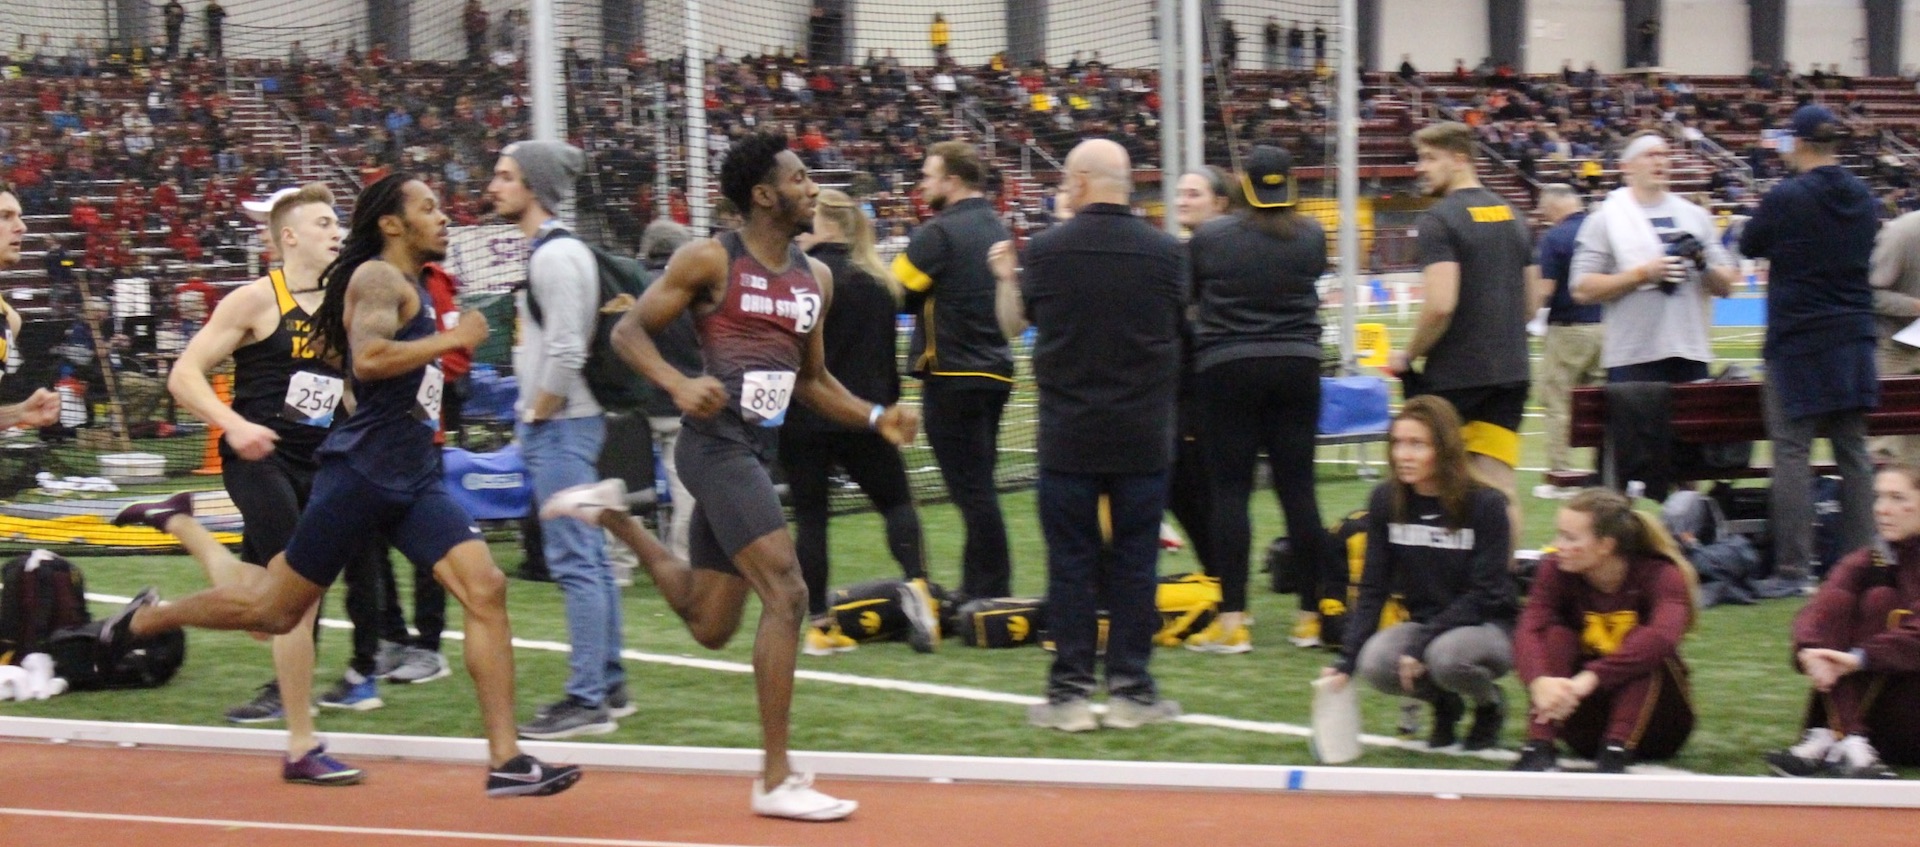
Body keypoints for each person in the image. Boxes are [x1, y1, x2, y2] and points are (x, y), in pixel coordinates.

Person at [101, 174, 582, 798]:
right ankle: (147, 623)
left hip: (410, 474)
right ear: (392, 224)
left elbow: (352, 376)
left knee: (486, 587)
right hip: (360, 476)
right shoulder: (378, 278)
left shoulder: (408, 284)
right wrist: (453, 341)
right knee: (274, 611)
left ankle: (507, 761)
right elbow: (371, 358)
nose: (445, 218)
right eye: (428, 209)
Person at [550, 131, 917, 820]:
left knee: (708, 620)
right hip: (713, 445)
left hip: (755, 449)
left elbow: (812, 381)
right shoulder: (709, 259)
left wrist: (875, 417)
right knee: (787, 589)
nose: (813, 188)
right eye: (801, 176)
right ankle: (776, 778)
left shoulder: (817, 278)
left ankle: (611, 516)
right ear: (763, 193)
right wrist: (679, 383)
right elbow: (629, 332)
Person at [145, 184, 363, 772]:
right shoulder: (253, 301)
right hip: (258, 460)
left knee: (265, 609)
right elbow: (184, 376)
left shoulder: (344, 308)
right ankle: (302, 745)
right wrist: (234, 425)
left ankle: (175, 535)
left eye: (338, 223)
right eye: (323, 223)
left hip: (318, 465)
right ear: (288, 236)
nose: (336, 232)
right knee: (296, 594)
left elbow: (341, 392)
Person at [987, 138, 1185, 731]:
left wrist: (1004, 276)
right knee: (1135, 567)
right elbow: (1178, 325)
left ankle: (1070, 695)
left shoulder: (1046, 252)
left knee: (1070, 565)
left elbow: (1013, 324)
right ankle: (1131, 691)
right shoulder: (1168, 253)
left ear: (1077, 183)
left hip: (1069, 433)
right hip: (1143, 433)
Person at [486, 141, 629, 740]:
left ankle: (587, 698)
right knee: (588, 557)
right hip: (569, 421)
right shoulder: (554, 253)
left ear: (534, 188)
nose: (493, 186)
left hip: (564, 423)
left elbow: (569, 348)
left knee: (574, 558)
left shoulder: (556, 257)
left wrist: (537, 413)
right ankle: (608, 685)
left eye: (505, 176)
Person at [1182, 147, 1329, 653]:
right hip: (1298, 365)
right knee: (1299, 491)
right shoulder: (1311, 233)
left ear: (1242, 183)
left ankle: (1233, 621)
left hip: (1227, 368)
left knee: (1229, 494)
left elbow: (1188, 301)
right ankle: (1312, 616)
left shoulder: (1210, 236)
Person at [784, 188, 939, 656]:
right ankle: (919, 591)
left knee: (812, 520)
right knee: (896, 504)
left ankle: (820, 626)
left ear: (823, 222)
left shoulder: (800, 277)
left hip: (806, 414)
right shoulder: (878, 281)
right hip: (866, 415)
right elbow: (884, 362)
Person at [1321, 396, 1516, 752]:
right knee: (1376, 662)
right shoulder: (1386, 500)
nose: (1403, 455)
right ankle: (1444, 703)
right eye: (1397, 443)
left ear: (1444, 449)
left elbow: (1485, 593)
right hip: (1428, 623)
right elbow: (1372, 586)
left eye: (1417, 444)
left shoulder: (1486, 504)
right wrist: (1346, 660)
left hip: (1487, 626)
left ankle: (1489, 705)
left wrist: (1420, 643)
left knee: (1446, 657)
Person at [1741, 105, 1879, 589]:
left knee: (1792, 453)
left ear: (1797, 143)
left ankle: (1793, 568)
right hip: (1855, 337)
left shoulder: (1787, 196)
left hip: (1798, 338)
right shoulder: (1864, 197)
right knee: (1854, 454)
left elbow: (1749, 243)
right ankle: (1863, 562)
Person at [1390, 121, 1542, 556]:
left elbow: (1440, 304)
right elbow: (1532, 303)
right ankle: (1502, 581)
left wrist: (1409, 354)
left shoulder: (1439, 220)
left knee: (1435, 481)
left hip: (1457, 376)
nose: (1421, 168)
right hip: (1510, 371)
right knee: (1498, 481)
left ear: (1461, 159)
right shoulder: (1512, 214)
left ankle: (1442, 580)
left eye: (1430, 158)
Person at [892, 140, 1015, 601]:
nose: (921, 184)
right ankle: (980, 582)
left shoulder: (938, 233)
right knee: (979, 484)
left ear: (953, 181)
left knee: (971, 489)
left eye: (928, 175)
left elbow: (893, 289)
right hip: (995, 373)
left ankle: (990, 586)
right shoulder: (995, 226)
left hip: (953, 374)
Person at [1512, 488, 1699, 773]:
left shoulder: (1660, 574)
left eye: (1570, 538)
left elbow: (1662, 638)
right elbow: (1529, 629)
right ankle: (1539, 744)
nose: (1557, 545)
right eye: (1559, 534)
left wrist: (1591, 677)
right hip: (1581, 721)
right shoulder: (1555, 569)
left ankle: (1616, 750)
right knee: (1556, 636)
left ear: (1605, 545)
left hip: (1657, 726)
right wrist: (1540, 682)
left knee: (1644, 646)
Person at [1767, 463, 1920, 779]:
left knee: (1882, 602)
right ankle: (1847, 738)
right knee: (1840, 604)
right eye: (1879, 497)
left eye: (1896, 498)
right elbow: (1820, 608)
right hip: (1881, 716)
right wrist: (1811, 652)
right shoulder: (1872, 557)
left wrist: (1857, 659)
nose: (1883, 509)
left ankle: (1835, 733)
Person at [1571, 132, 1737, 386]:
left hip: (1689, 351)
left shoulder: (1695, 216)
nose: (1659, 161)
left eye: (1664, 155)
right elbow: (1581, 289)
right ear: (1626, 167)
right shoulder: (1605, 218)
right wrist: (1644, 274)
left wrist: (1702, 263)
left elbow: (1726, 285)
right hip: (1632, 356)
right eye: (1650, 155)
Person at [1162, 167, 1233, 597]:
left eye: (1194, 193)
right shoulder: (1181, 254)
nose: (1182, 200)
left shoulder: (1224, 254)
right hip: (1184, 384)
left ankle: (1224, 576)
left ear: (1221, 202)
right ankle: (1220, 572)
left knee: (1200, 484)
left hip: (1210, 385)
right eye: (1180, 193)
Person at [636, 219, 703, 562]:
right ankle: (685, 558)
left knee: (622, 487)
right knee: (688, 490)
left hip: (633, 404)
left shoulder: (629, 282)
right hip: (682, 402)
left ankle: (618, 563)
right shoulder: (697, 289)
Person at [1532, 184, 1603, 491]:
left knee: (1559, 401)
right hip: (1607, 326)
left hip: (1569, 328)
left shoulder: (1555, 237)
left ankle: (1561, 475)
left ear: (1554, 206)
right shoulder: (1602, 229)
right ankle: (1603, 471)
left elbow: (1545, 289)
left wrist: (1531, 317)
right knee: (1602, 402)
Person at [0, 183, 71, 429]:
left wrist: (19, 414)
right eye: (5, 216)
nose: (21, 227)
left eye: (19, 216)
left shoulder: (9, 320)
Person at [1869, 202, 1920, 463]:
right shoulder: (1903, 233)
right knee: (1885, 447)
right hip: (1894, 350)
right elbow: (1868, 294)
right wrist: (1914, 306)